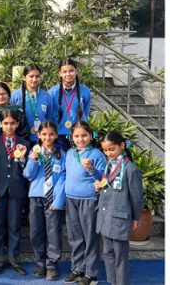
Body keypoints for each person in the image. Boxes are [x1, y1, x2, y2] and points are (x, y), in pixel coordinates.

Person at [95, 132, 144, 285]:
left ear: (122, 146)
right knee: (108, 254)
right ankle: (112, 281)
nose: (108, 153)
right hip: (105, 218)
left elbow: (137, 197)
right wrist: (98, 187)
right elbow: (107, 185)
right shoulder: (109, 165)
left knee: (120, 257)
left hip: (120, 219)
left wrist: (136, 217)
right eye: (105, 150)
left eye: (112, 149)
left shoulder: (131, 169)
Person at [63, 122, 106, 285]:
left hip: (88, 200)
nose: (80, 139)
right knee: (75, 237)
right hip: (71, 199)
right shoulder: (69, 153)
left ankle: (91, 273)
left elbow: (103, 179)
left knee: (90, 237)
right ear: (72, 137)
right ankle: (78, 268)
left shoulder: (97, 154)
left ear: (91, 136)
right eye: (76, 136)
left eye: (84, 135)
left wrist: (91, 170)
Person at [22, 121, 66, 281]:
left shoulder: (61, 153)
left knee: (53, 232)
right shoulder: (34, 152)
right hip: (36, 196)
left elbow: (63, 177)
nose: (48, 137)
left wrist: (59, 200)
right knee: (36, 232)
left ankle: (52, 264)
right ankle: (40, 262)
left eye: (51, 134)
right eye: (44, 134)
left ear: (56, 135)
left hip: (53, 198)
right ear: (39, 135)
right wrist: (33, 159)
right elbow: (28, 175)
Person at [0, 109, 29, 276]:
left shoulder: (25, 143)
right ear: (1, 124)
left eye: (12, 123)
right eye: (6, 123)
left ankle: (13, 258)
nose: (9, 126)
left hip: (16, 189)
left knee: (14, 226)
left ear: (18, 124)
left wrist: (21, 158)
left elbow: (27, 169)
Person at [49, 59, 91, 151]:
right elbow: (50, 114)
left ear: (76, 71)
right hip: (58, 134)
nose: (68, 74)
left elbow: (86, 112)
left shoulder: (85, 91)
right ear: (59, 73)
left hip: (78, 135)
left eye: (71, 71)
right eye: (65, 71)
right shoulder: (53, 92)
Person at [10, 65, 54, 146]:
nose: (34, 79)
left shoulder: (46, 96)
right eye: (31, 76)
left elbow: (49, 117)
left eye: (37, 76)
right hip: (21, 137)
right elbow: (11, 117)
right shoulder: (15, 96)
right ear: (24, 77)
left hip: (42, 139)